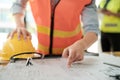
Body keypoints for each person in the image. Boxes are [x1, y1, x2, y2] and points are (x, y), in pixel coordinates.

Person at [9, 0, 99, 67]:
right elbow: (18, 4)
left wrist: (82, 44)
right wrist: (19, 25)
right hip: (41, 56)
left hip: (71, 58)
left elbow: (92, 30)